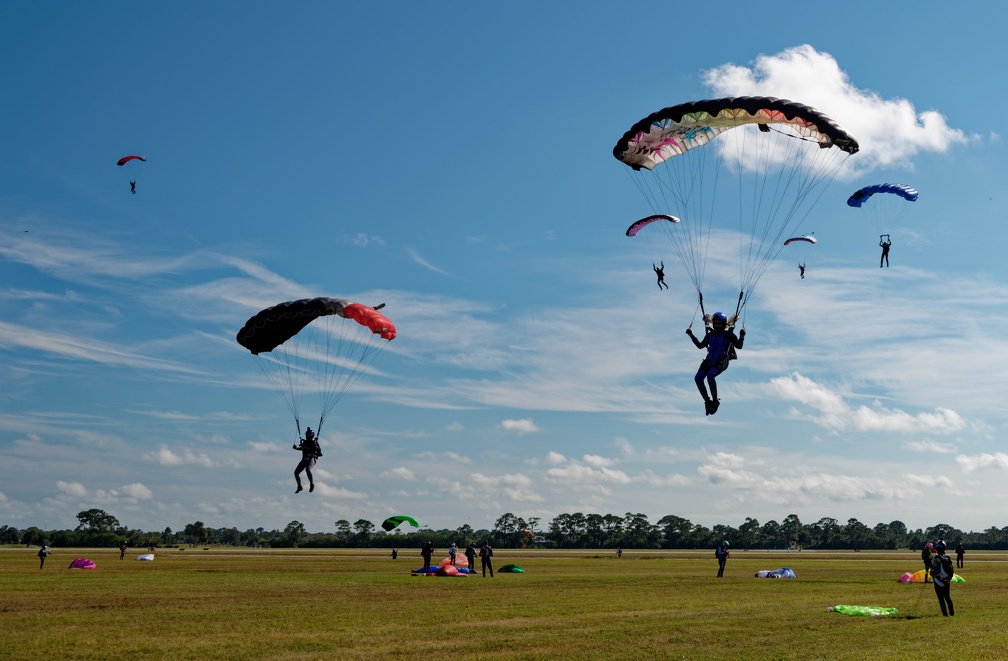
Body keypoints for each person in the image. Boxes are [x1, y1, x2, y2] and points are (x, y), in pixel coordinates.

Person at [686, 312, 745, 416]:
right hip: (710, 360)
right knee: (698, 378)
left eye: (719, 323)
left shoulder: (728, 335)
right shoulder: (710, 335)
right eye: (715, 323)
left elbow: (739, 346)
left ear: (723, 324)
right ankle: (707, 401)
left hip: (722, 360)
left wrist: (741, 336)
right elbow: (700, 345)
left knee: (710, 376)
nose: (717, 325)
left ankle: (715, 401)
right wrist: (691, 335)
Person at [929, 540, 955, 616]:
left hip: (938, 580)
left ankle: (945, 614)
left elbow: (933, 569)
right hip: (947, 580)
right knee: (947, 597)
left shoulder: (936, 558)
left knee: (941, 598)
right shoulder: (948, 557)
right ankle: (952, 613)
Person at [292, 427, 321, 493]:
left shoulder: (314, 442)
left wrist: (315, 447)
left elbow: (319, 451)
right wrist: (296, 448)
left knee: (307, 469)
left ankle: (312, 484)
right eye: (306, 435)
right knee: (296, 473)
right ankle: (299, 487)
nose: (307, 436)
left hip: (311, 459)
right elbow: (302, 448)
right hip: (304, 459)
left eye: (308, 435)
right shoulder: (304, 442)